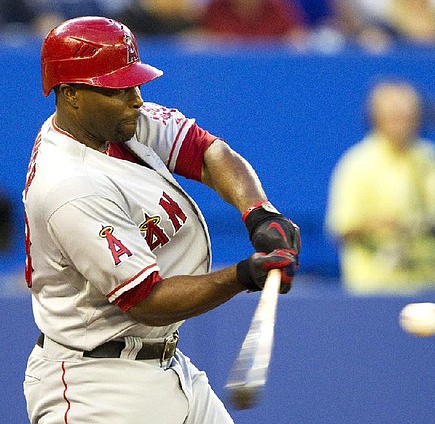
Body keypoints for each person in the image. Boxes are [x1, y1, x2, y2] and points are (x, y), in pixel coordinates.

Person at [22, 16, 300, 423]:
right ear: (71, 94)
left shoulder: (116, 123)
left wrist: (259, 214)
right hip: (96, 386)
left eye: (134, 83)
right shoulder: (68, 186)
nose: (136, 98)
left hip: (163, 364)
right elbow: (147, 301)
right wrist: (243, 275)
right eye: (118, 88)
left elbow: (206, 152)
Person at [325, 80, 435, 295]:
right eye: (395, 117)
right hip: (376, 289)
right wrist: (382, 224)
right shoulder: (358, 163)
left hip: (434, 285)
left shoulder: (433, 159)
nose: (403, 123)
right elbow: (341, 227)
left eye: (409, 116)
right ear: (376, 118)